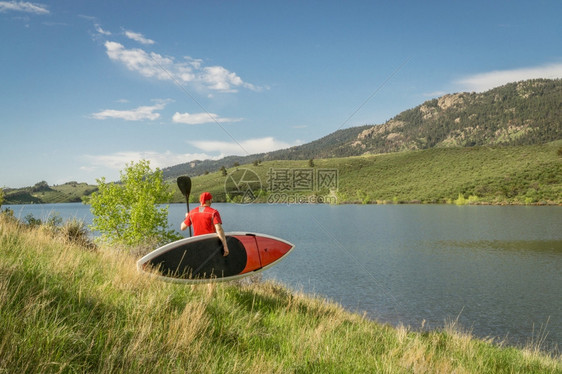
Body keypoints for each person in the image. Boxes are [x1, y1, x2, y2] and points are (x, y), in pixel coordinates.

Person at [180, 192, 229, 256]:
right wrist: (225, 246)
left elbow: (182, 228)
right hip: (211, 243)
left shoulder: (192, 212)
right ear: (209, 200)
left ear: (200, 201)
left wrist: (187, 217)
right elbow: (219, 229)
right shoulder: (214, 212)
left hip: (197, 243)